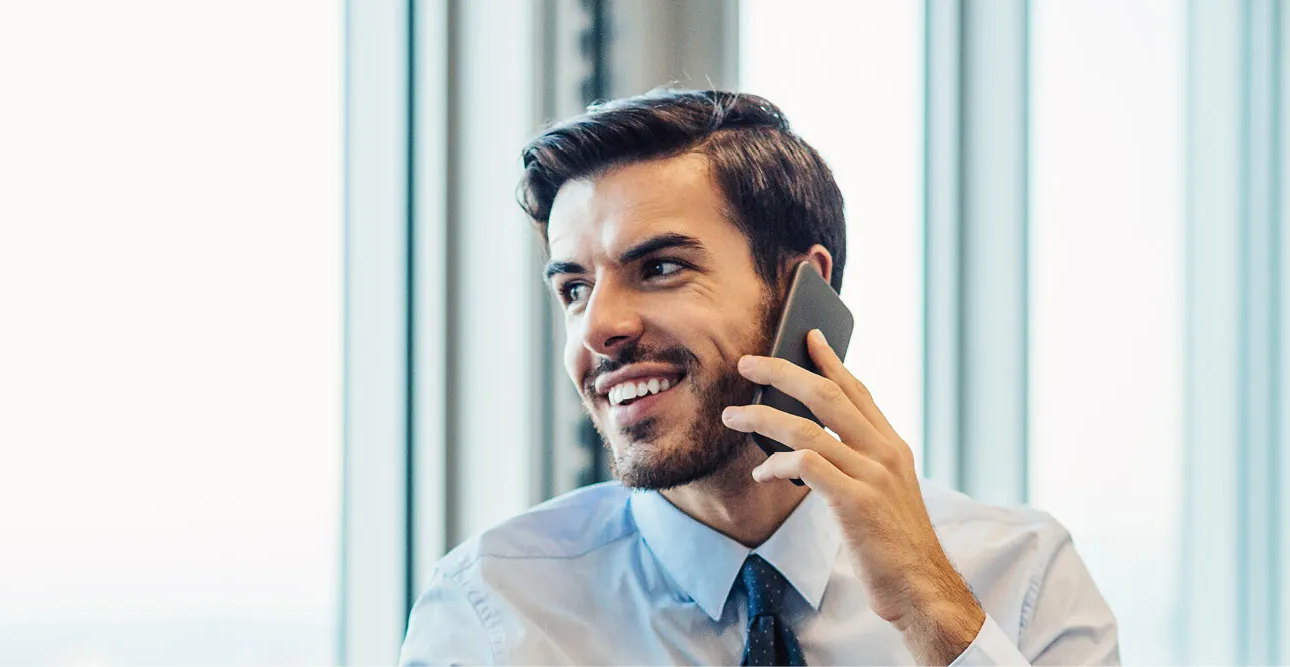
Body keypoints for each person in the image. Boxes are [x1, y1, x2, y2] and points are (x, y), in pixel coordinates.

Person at [400, 90, 1118, 666]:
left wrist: (936, 614)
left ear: (802, 287)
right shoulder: (491, 610)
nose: (597, 328)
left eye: (659, 267)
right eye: (574, 288)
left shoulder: (1021, 577)